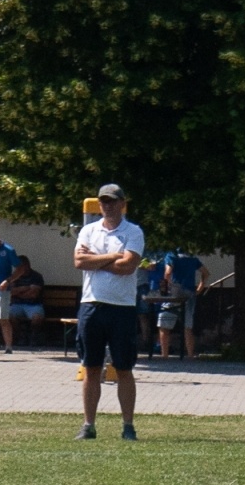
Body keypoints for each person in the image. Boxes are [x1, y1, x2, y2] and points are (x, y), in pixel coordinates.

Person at [72, 184, 144, 440]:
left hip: (122, 308)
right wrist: (113, 255)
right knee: (91, 367)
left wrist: (98, 259)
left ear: (122, 204)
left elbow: (128, 266)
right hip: (92, 305)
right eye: (104, 202)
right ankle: (88, 425)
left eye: (112, 201)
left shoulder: (133, 232)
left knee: (124, 368)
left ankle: (128, 426)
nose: (107, 206)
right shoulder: (88, 231)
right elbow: (80, 262)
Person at [160, 247, 210, 358]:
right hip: (190, 293)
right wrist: (200, 287)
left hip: (175, 293)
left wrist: (168, 287)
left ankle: (164, 355)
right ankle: (190, 355)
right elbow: (206, 273)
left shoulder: (171, 256)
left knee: (165, 324)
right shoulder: (193, 258)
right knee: (188, 326)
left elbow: (168, 273)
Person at [7, 254, 47, 346]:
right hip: (17, 304)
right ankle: (21, 336)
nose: (18, 268)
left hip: (34, 304)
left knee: (37, 318)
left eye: (20, 266)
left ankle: (33, 336)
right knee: (8, 316)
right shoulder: (14, 277)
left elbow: (34, 294)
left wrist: (19, 293)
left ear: (27, 265)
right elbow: (11, 292)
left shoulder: (36, 276)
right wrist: (27, 288)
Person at [136, 256, 163, 356]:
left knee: (144, 315)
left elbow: (151, 267)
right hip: (129, 286)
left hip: (142, 285)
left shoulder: (144, 253)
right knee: (130, 315)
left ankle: (145, 341)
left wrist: (146, 265)